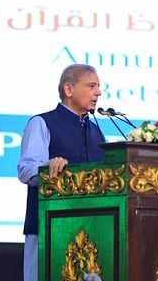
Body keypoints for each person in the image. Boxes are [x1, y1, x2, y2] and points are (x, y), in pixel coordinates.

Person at [17, 64, 106, 281]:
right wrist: (49, 166)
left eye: (99, 87)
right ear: (69, 89)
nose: (98, 93)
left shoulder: (96, 130)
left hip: (92, 231)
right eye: (91, 86)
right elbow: (26, 170)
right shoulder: (42, 123)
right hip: (48, 228)